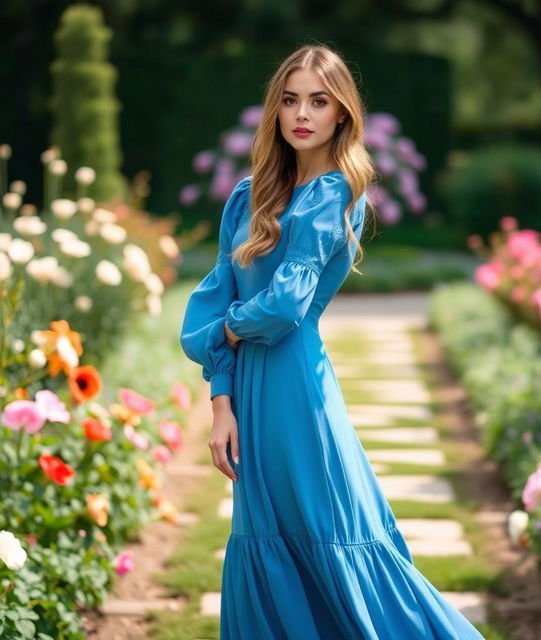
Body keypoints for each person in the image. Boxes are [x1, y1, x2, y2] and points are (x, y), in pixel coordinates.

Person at [180, 43, 486, 640]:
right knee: (262, 537)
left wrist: (225, 329)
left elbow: (286, 307)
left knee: (326, 531)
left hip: (298, 391)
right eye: (290, 100)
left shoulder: (333, 193)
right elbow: (217, 295)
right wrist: (221, 402)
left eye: (318, 102)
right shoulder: (247, 197)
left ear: (341, 113)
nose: (303, 114)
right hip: (247, 393)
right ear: (275, 110)